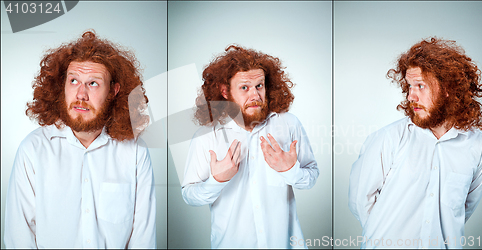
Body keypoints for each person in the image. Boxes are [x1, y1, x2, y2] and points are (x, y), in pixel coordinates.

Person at [4, 31, 156, 248]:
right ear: (62, 86)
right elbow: (19, 237)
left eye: (93, 83)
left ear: (113, 91)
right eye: (74, 80)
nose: (81, 94)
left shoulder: (135, 152)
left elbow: (143, 238)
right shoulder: (32, 149)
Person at [348, 37, 482, 249]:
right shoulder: (388, 138)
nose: (411, 96)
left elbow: (463, 209)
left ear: (448, 88)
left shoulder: (479, 146)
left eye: (420, 86)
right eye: (409, 86)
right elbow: (360, 200)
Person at [181, 45, 319, 248]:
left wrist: (290, 170)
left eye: (259, 86)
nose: (255, 95)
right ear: (225, 91)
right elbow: (189, 196)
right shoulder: (206, 137)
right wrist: (217, 180)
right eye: (244, 87)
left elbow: (311, 177)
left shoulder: (289, 124)